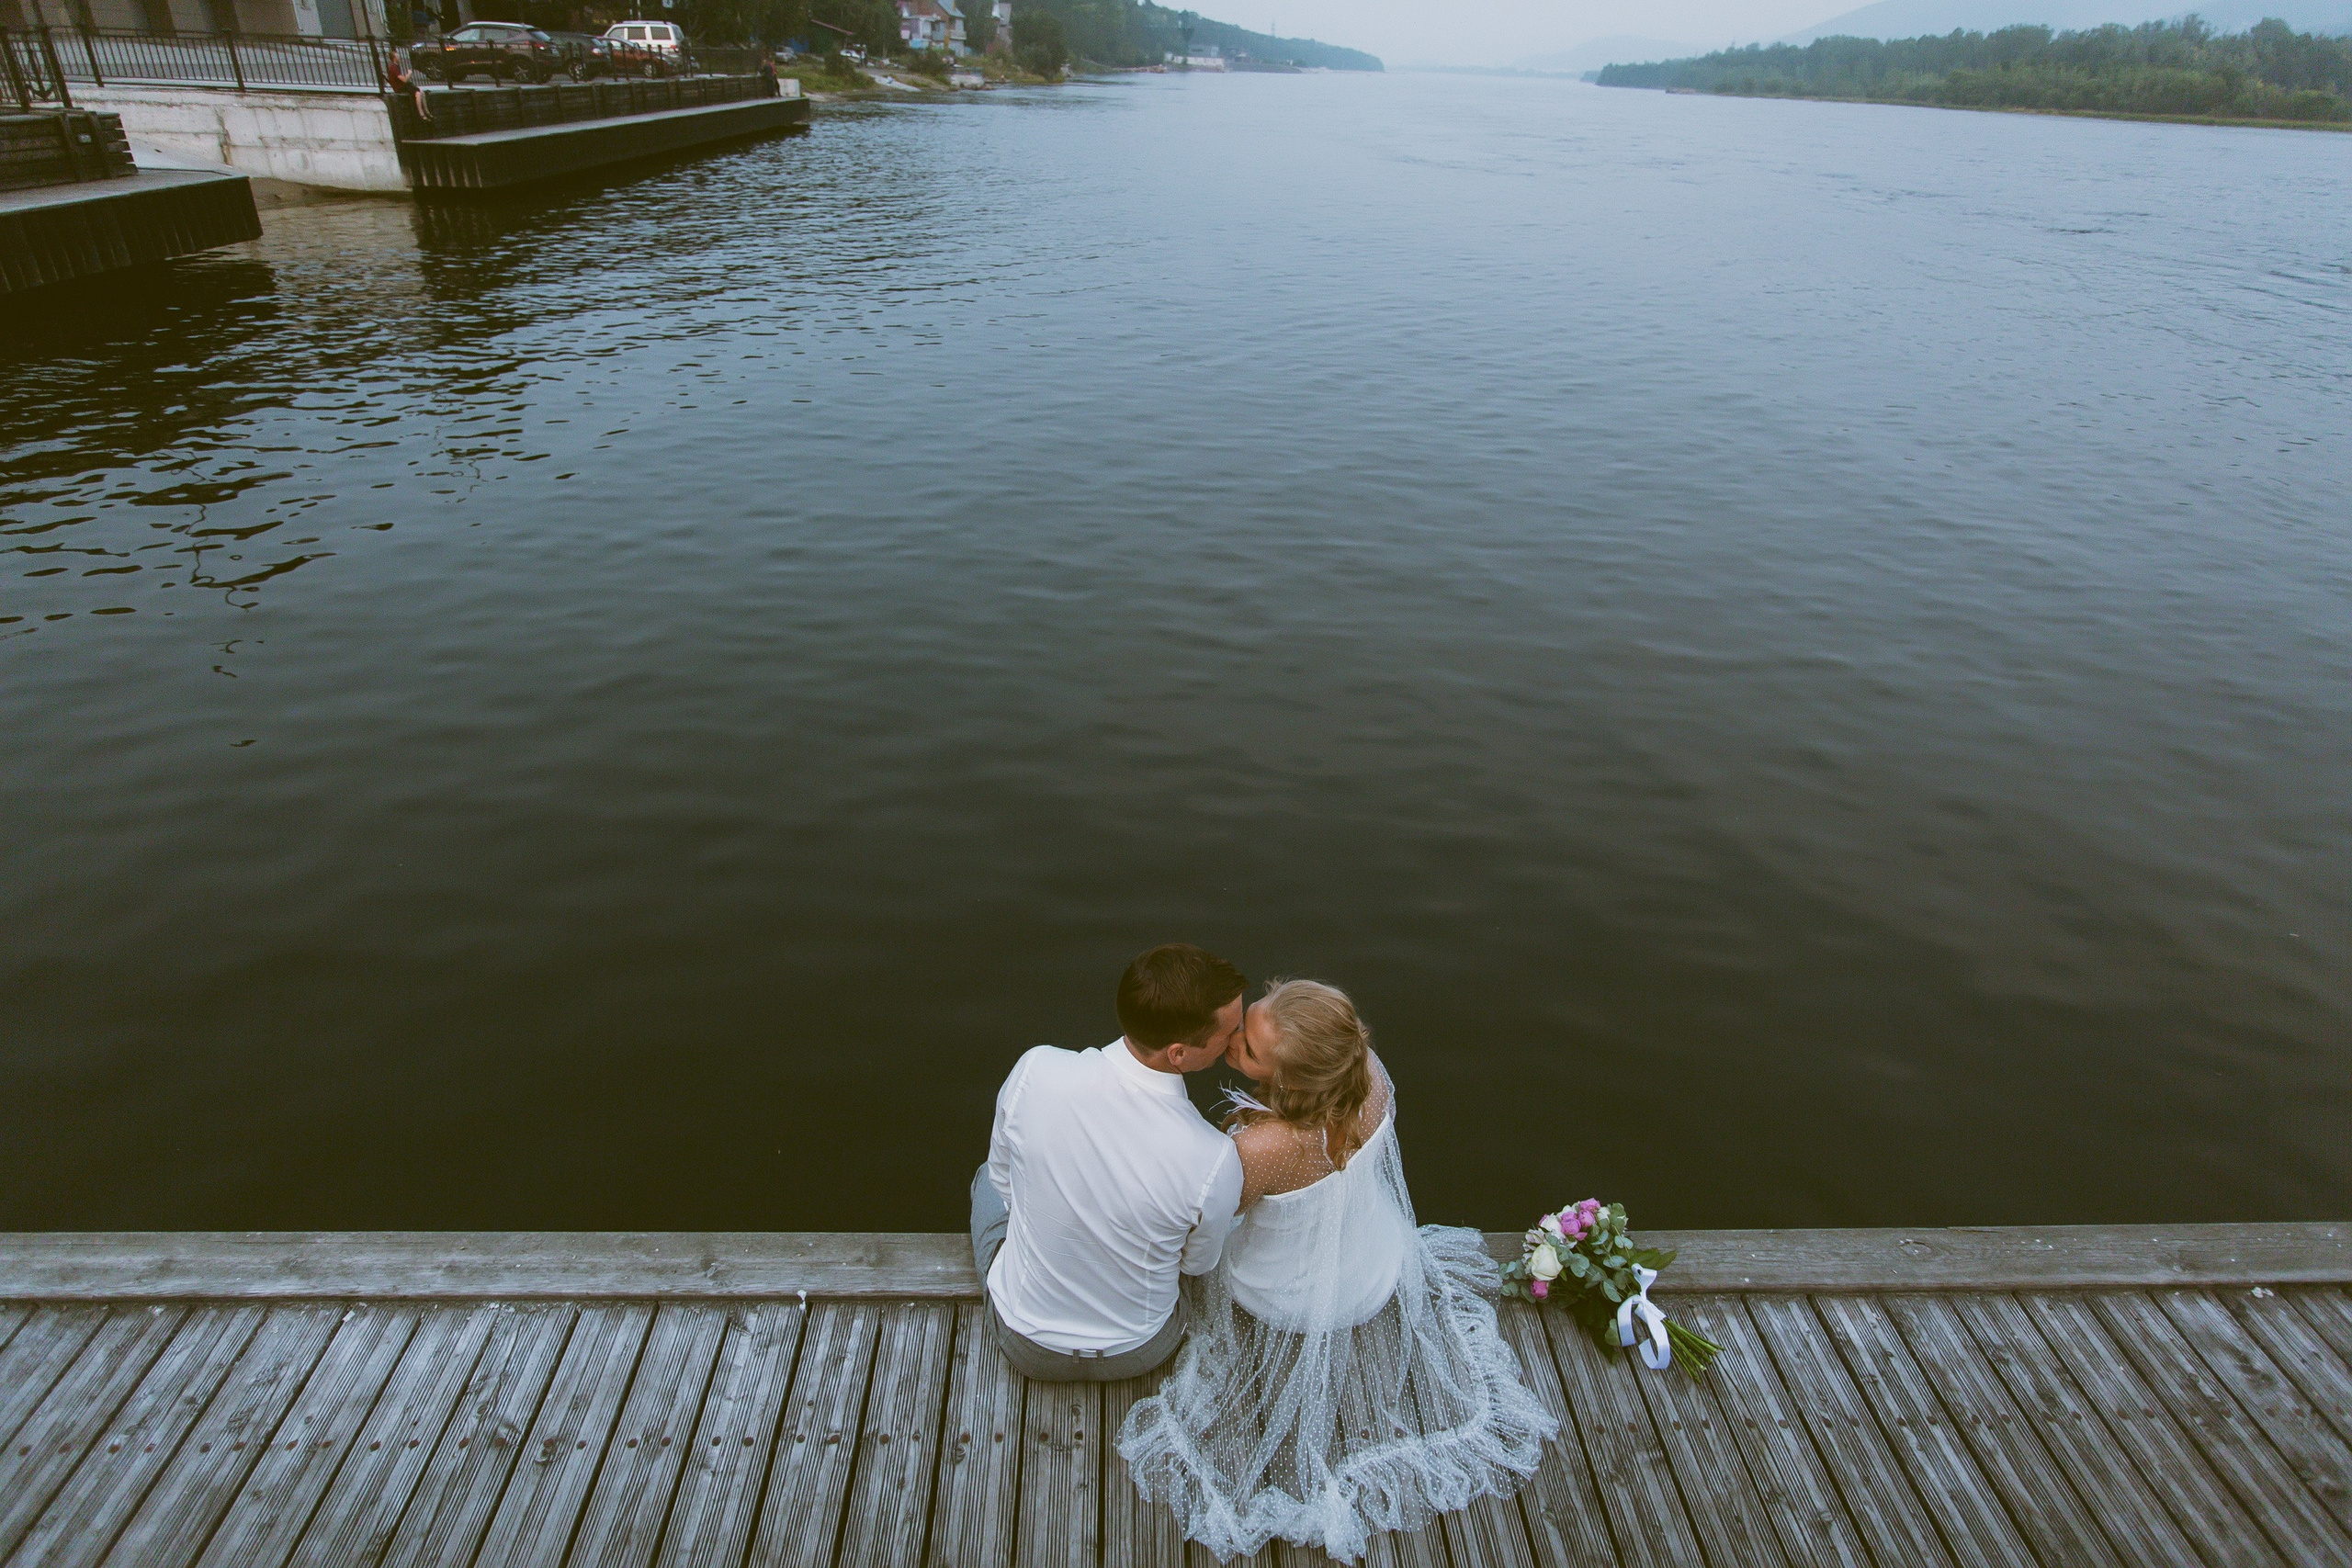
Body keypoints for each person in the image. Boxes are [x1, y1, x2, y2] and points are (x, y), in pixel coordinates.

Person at [1117, 979, 1558, 1563]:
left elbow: (1219, 1227)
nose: (1232, 1046)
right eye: (1245, 1028)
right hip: (1374, 1266)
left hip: (1286, 1296)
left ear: (1292, 1081)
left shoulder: (1260, 1148)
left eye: (1247, 1050)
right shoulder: (1366, 1069)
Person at [971, 943, 1247, 1382]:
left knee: (985, 1178)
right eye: (1230, 1032)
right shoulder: (1214, 1157)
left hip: (1027, 1344)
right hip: (1140, 1348)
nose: (1238, 1039)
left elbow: (1004, 1185)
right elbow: (1195, 1266)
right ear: (1177, 1053)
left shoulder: (1034, 1069)